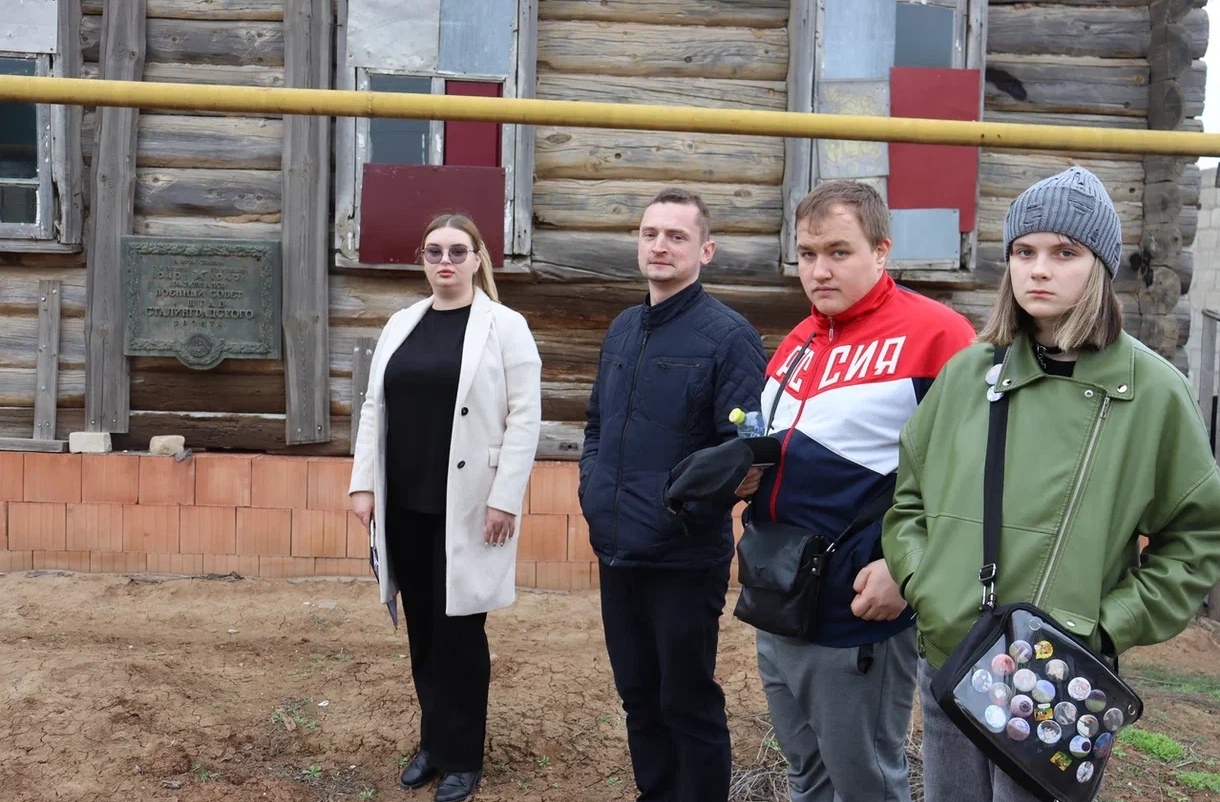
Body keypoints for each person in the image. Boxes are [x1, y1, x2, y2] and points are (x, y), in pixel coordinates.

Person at [881, 166, 1220, 802]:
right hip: (952, 657)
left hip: (1059, 681)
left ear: (1101, 266)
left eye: (1065, 253)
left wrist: (1105, 626)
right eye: (1023, 251)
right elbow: (910, 499)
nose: (1039, 270)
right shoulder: (968, 375)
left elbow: (1198, 537)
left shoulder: (1153, 393)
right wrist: (928, 586)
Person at [736, 180, 977, 802]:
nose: (819, 270)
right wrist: (742, 472)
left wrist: (909, 570)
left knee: (863, 781)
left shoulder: (938, 335)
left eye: (838, 252)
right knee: (807, 776)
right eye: (807, 253)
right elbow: (785, 449)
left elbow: (975, 475)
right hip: (779, 595)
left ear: (882, 250)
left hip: (859, 607)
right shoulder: (797, 342)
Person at [579, 187, 768, 802]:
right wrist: (592, 490)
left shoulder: (729, 336)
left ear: (705, 250)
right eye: (650, 234)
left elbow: (742, 452)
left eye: (676, 236)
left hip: (683, 558)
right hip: (617, 550)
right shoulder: (623, 329)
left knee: (686, 702)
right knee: (638, 696)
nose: (660, 246)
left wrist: (676, 510)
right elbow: (597, 425)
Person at [348, 213, 542, 802]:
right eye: (434, 251)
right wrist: (363, 484)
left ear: (478, 258)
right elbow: (373, 406)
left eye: (458, 251)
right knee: (424, 632)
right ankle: (433, 743)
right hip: (405, 504)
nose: (445, 261)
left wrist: (505, 498)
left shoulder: (505, 326)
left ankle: (463, 757)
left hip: (471, 506)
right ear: (423, 259)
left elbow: (524, 417)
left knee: (459, 633)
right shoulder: (401, 324)